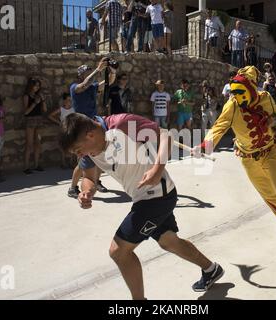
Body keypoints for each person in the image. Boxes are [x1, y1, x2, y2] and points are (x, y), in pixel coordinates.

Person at [59, 113, 225, 299]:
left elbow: (165, 135)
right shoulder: (89, 153)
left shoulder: (120, 124)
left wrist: (157, 169)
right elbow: (89, 178)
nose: (80, 155)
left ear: (90, 135)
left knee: (119, 251)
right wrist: (86, 191)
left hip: (156, 196)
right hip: (143, 197)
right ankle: (211, 269)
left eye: (79, 150)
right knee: (169, 241)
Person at [192, 66, 276, 251]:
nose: (238, 96)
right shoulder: (232, 105)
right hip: (247, 157)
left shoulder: (266, 98)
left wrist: (274, 122)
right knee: (268, 193)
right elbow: (218, 127)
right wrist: (205, 147)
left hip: (270, 151)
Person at [68, 58, 116, 197]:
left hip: (94, 125)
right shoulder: (75, 88)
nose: (90, 73)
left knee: (99, 155)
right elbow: (84, 84)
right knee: (85, 159)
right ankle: (72, 187)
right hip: (82, 128)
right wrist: (98, 69)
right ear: (80, 75)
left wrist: (113, 71)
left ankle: (96, 181)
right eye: (87, 71)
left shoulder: (93, 87)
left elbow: (108, 83)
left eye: (90, 71)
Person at [23, 78, 47, 175]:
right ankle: (26, 167)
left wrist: (43, 100)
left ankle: (36, 165)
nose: (37, 87)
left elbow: (45, 110)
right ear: (31, 86)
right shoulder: (26, 96)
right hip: (30, 120)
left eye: (38, 86)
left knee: (38, 143)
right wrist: (35, 103)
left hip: (39, 120)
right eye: (35, 85)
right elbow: (26, 112)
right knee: (29, 144)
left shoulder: (39, 96)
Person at [48, 93, 76, 169]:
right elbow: (50, 116)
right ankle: (63, 162)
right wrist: (59, 122)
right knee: (63, 146)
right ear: (64, 101)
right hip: (64, 129)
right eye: (67, 100)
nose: (69, 101)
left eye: (70, 100)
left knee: (72, 145)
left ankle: (71, 162)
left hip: (72, 129)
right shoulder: (61, 109)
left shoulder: (73, 109)